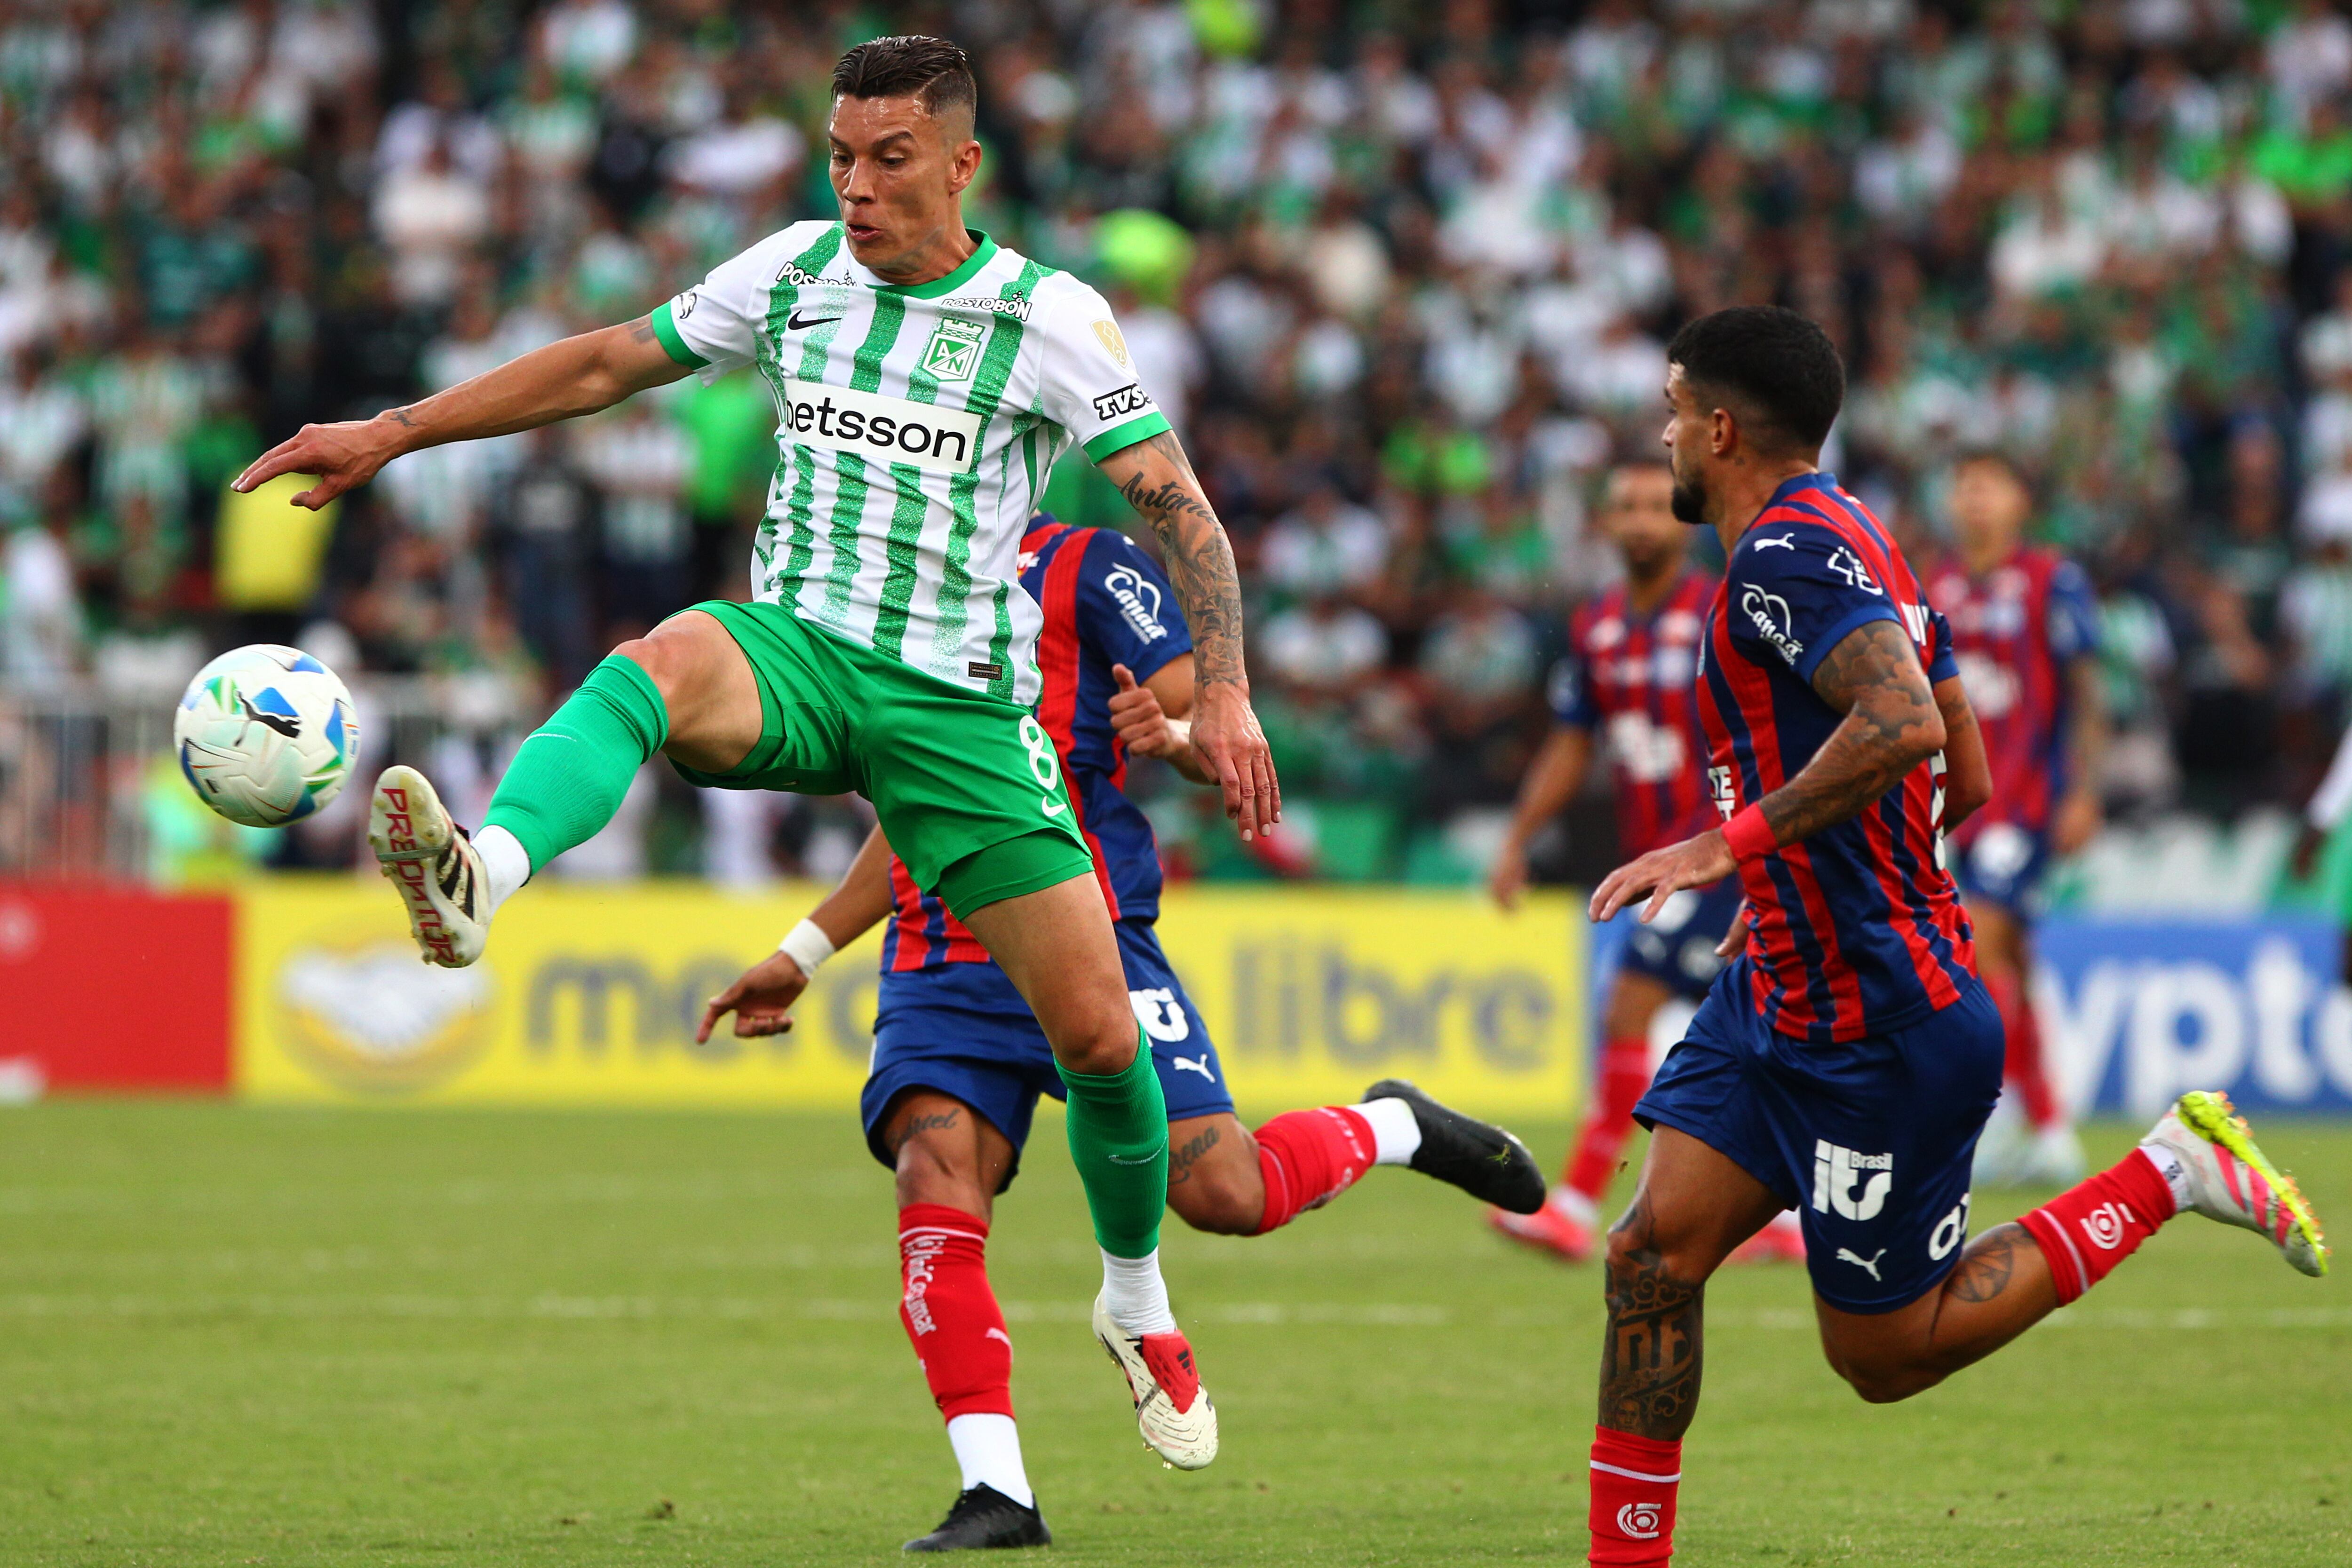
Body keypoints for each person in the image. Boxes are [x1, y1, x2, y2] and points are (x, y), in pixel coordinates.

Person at [231, 35, 1282, 1470]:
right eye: (840, 156)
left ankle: (1132, 1297)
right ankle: (488, 868)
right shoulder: (791, 273)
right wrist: (395, 432)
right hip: (797, 649)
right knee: (657, 661)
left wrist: (1222, 692)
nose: (855, 186)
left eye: (889, 158)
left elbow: (1182, 510)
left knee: (1103, 1043)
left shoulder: (1049, 317)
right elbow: (609, 359)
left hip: (963, 712)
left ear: (963, 165)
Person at [1579, 306, 2325, 1568]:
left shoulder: (1783, 563)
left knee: (1881, 1352)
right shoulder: (1858, 533)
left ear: (1718, 425)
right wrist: (1837, 883)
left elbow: (1908, 721)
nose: (1661, 438)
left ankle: (2168, 1171)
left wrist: (1736, 843)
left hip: (1882, 1021)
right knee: (1652, 1255)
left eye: (1669, 411)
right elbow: (1964, 756)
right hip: (1779, 988)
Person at [699, 513, 1544, 1551]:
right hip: (940, 948)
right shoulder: (883, 577)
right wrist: (802, 948)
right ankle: (997, 1491)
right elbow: (914, 797)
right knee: (932, 1170)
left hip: (1085, 927)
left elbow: (1196, 727)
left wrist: (1178, 739)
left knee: (1225, 1193)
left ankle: (1394, 1125)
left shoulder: (1084, 562)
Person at [1487, 460, 1802, 1263]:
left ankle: (1575, 1203)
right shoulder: (1595, 624)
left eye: (1651, 507)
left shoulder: (1722, 608)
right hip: (1664, 855)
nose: (1635, 521)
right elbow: (1570, 743)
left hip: (1723, 849)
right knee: (1757, 1025)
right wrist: (1520, 836)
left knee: (1632, 1009)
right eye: (1621, 507)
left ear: (1684, 521)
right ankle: (1784, 1213)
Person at [1924, 451, 2106, 1186]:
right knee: (2011, 959)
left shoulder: (2050, 578)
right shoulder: (1931, 582)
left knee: (1985, 940)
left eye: (1989, 486)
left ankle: (1995, 1116)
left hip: (2024, 800)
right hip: (1949, 808)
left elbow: (2087, 693)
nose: (1975, 500)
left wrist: (2083, 791)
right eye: (1963, 485)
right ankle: (2051, 1126)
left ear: (2020, 500)